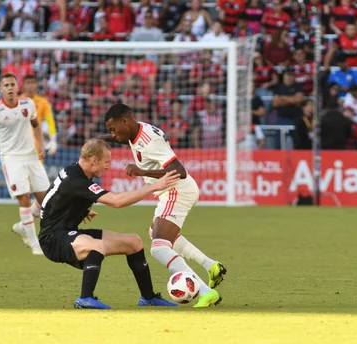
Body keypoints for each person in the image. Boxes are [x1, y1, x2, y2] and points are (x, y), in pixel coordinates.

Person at [102, 103, 226, 308]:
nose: (113, 134)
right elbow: (129, 140)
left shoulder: (149, 140)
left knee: (159, 249)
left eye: (113, 129)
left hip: (176, 191)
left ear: (125, 121)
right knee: (156, 233)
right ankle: (210, 265)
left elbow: (179, 171)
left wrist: (141, 172)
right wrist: (103, 138)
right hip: (172, 192)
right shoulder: (136, 131)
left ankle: (205, 291)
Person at [38, 139, 180, 309]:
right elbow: (116, 201)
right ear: (94, 160)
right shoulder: (76, 180)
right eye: (106, 162)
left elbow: (51, 197)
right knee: (97, 246)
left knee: (134, 242)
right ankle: (85, 298)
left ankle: (148, 297)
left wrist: (79, 211)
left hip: (66, 232)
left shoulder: (74, 172)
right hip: (52, 239)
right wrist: (154, 187)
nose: (108, 167)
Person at [0, 73, 50, 256]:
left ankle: (23, 226)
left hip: (31, 157)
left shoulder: (27, 104)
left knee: (46, 201)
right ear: (1, 89)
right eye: (6, 85)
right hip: (12, 159)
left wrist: (41, 145)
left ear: (17, 87)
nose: (10, 88)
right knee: (24, 199)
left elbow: (36, 125)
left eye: (12, 84)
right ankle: (35, 244)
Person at [22, 75, 58, 160]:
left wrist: (53, 140)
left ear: (36, 85)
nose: (30, 85)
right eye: (28, 83)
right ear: (23, 85)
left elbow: (50, 121)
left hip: (37, 145)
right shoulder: (17, 101)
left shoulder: (43, 102)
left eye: (33, 83)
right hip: (20, 144)